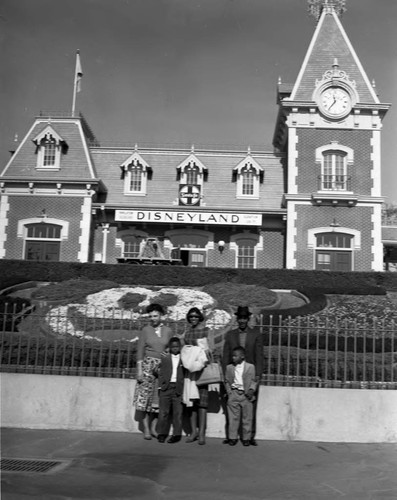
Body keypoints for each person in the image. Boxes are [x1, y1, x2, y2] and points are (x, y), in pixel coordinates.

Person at [222, 305, 263, 446]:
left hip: (249, 375)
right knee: (231, 407)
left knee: (250, 409)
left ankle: (249, 436)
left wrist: (257, 376)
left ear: (248, 319)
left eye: (245, 318)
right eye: (240, 318)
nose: (242, 320)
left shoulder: (255, 334)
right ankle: (231, 436)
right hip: (234, 375)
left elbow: (259, 356)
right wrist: (225, 376)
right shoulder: (231, 334)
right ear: (237, 319)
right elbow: (226, 355)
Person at [133, 303, 172, 440]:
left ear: (161, 315)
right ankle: (146, 429)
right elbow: (140, 350)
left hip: (161, 367)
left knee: (157, 398)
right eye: (150, 316)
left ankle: (154, 427)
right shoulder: (145, 330)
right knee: (145, 398)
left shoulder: (168, 330)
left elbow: (170, 348)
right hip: (147, 366)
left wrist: (166, 360)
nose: (153, 318)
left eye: (155, 316)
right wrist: (139, 371)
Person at [181, 306, 214, 445]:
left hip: (202, 370)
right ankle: (193, 431)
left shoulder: (207, 331)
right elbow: (183, 350)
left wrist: (203, 352)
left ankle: (201, 433)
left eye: (195, 316)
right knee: (192, 403)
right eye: (191, 316)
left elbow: (211, 350)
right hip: (190, 372)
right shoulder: (187, 334)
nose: (193, 318)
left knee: (202, 404)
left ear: (200, 317)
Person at [224, 347, 257, 446]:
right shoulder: (229, 368)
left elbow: (254, 380)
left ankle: (246, 438)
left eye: (235, 356)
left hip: (246, 395)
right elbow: (226, 381)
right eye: (232, 356)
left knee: (247, 417)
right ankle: (232, 437)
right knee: (233, 418)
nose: (233, 358)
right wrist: (229, 392)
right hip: (234, 394)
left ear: (242, 356)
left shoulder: (250, 367)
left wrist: (251, 389)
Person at [156, 337, 185, 444]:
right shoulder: (165, 357)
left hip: (178, 388)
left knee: (178, 413)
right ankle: (161, 433)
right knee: (163, 412)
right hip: (166, 388)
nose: (175, 349)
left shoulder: (183, 358)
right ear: (169, 347)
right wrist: (161, 385)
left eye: (177, 347)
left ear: (180, 347)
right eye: (172, 347)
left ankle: (176, 434)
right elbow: (159, 371)